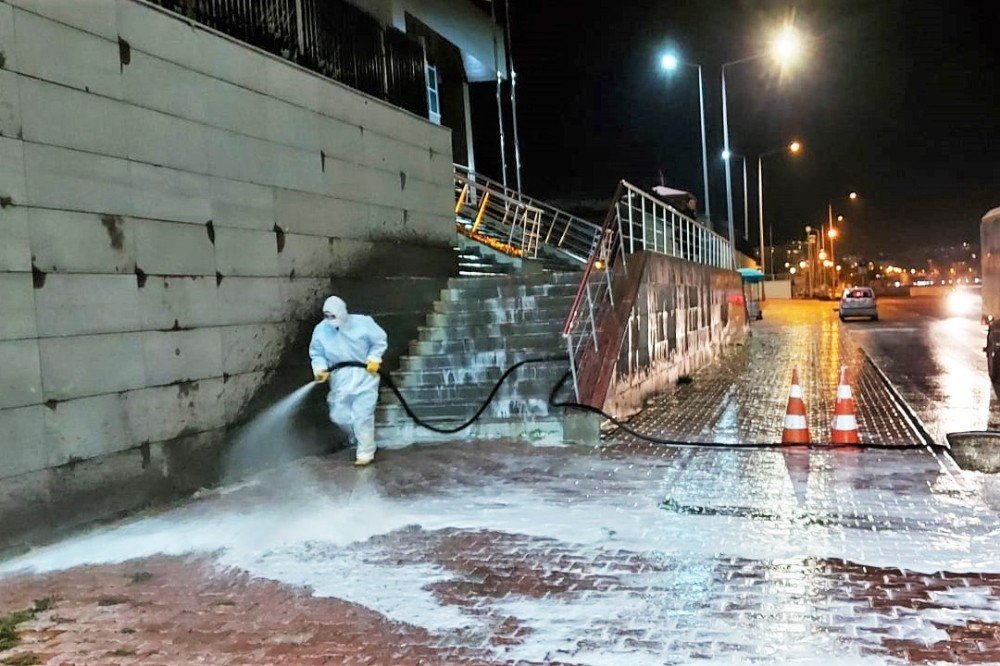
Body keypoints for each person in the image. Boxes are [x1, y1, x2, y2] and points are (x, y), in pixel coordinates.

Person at [309, 296, 388, 466]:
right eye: (326, 316)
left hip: (365, 376)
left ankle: (366, 452)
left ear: (342, 313)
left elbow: (379, 340)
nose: (329, 320)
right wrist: (320, 369)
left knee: (363, 416)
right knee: (338, 415)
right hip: (340, 378)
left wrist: (374, 358)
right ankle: (357, 436)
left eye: (333, 316)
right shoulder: (321, 330)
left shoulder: (362, 323)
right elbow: (317, 353)